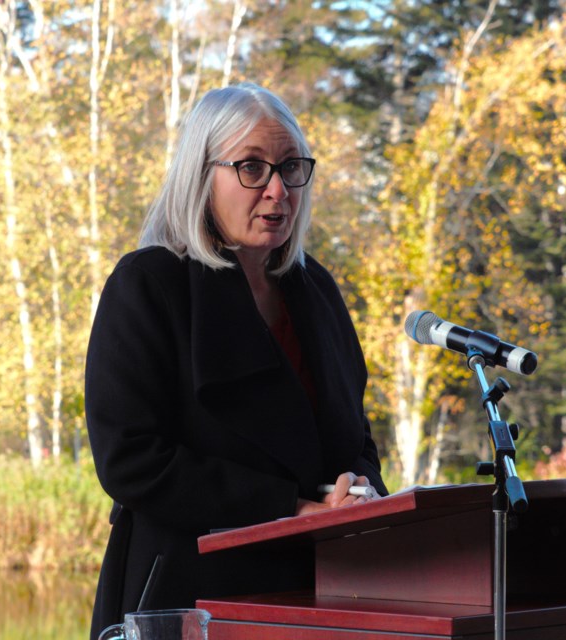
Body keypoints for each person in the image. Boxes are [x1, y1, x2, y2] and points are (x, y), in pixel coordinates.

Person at [85, 83, 388, 638]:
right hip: (187, 596)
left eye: (291, 168)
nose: (278, 190)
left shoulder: (315, 287)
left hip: (321, 590)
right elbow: (130, 460)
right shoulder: (149, 284)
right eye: (252, 167)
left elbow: (356, 434)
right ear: (201, 176)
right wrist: (289, 509)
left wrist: (359, 490)